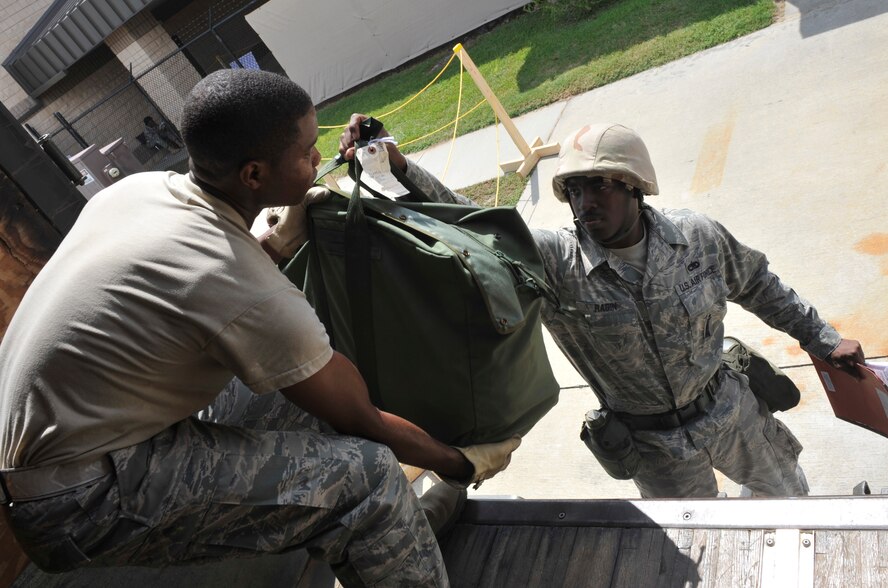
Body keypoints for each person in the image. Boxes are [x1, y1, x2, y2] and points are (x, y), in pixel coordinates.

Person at [0, 70, 521, 587]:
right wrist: (462, 462)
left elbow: (197, 287)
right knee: (370, 477)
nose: (320, 159)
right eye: (307, 151)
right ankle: (386, 525)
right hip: (82, 501)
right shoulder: (236, 280)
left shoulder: (138, 191)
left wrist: (274, 244)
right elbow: (366, 420)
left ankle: (389, 540)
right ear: (253, 176)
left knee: (302, 393)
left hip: (66, 451)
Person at [333, 114, 865, 498]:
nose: (586, 202)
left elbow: (759, 285)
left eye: (601, 186)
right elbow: (475, 229)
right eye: (574, 190)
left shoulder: (697, 238)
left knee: (792, 506)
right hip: (656, 450)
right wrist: (397, 165)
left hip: (732, 412)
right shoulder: (555, 263)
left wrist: (821, 337)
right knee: (705, 546)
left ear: (636, 188)